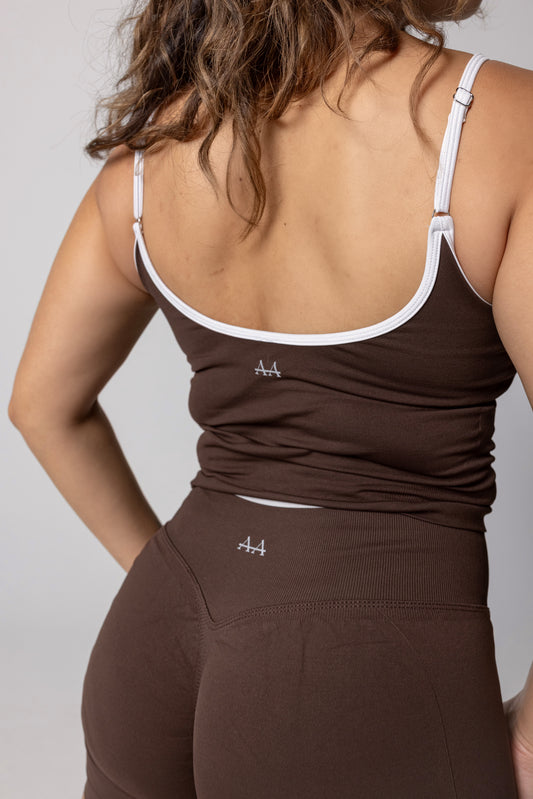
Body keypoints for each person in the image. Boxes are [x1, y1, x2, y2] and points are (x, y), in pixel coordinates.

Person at [7, 0, 533, 796]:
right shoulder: (503, 123)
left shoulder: (154, 151)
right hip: (362, 666)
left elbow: (40, 403)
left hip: (153, 642)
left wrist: (186, 586)